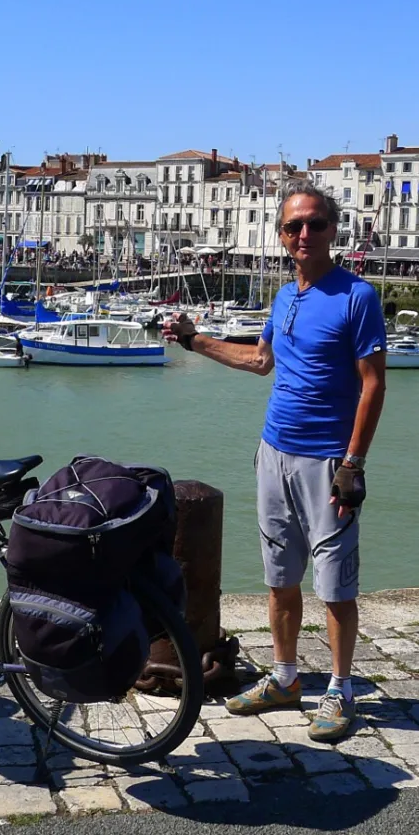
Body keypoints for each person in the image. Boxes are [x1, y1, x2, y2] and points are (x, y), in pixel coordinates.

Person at [163, 182, 386, 742]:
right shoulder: (285, 297)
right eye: (293, 227)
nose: (304, 235)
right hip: (273, 454)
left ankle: (339, 689)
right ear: (282, 236)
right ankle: (285, 679)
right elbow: (261, 361)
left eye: (315, 224)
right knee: (280, 578)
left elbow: (373, 385)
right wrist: (195, 342)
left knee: (335, 586)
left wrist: (353, 464)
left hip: (328, 461)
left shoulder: (357, 297)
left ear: (334, 230)